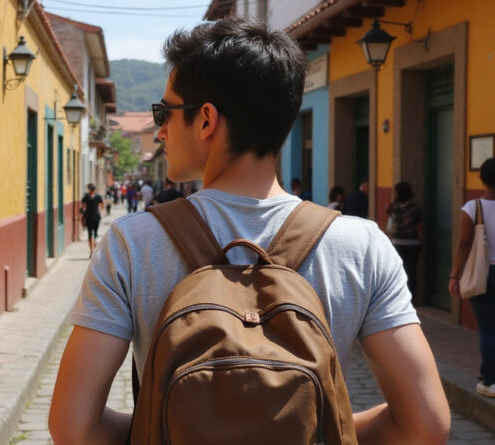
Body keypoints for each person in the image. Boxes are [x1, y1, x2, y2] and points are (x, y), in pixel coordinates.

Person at [49, 17, 449, 445]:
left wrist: (167, 429)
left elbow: (74, 425)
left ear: (206, 120)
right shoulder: (362, 245)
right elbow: (424, 424)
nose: (160, 130)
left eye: (164, 112)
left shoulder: (132, 243)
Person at [449, 157, 495, 398]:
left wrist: (455, 274)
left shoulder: (473, 208)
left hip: (484, 274)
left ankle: (489, 381)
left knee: (488, 330)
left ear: (481, 178)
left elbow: (464, 243)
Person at [386, 182, 422, 297]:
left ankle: (398, 297)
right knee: (411, 271)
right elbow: (419, 227)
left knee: (398, 272)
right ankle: (410, 297)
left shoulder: (393, 208)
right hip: (413, 244)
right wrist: (422, 241)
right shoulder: (416, 209)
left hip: (396, 243)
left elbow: (390, 225)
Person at [80, 183, 103, 257]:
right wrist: (83, 213)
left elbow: (101, 205)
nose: (91, 190)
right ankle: (91, 250)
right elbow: (83, 205)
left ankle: (94, 244)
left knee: (95, 233)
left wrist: (100, 210)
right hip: (88, 217)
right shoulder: (86, 197)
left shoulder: (98, 197)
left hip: (96, 217)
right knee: (90, 234)